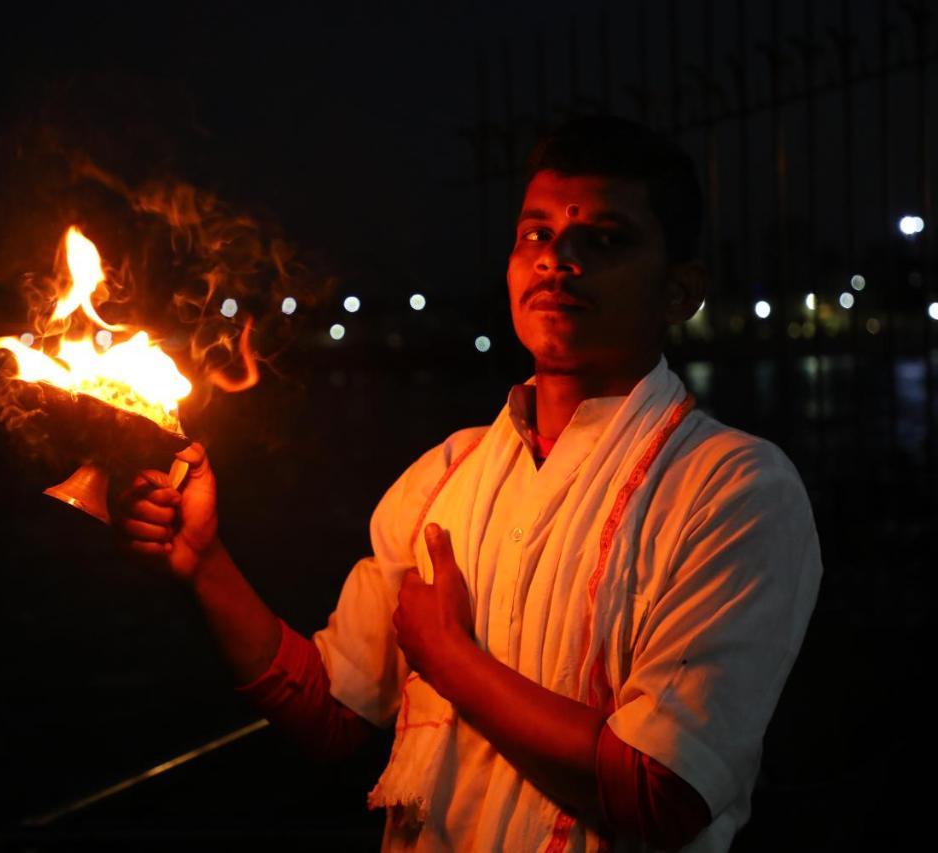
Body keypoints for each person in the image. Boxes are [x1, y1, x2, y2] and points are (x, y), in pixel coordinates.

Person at [111, 115, 822, 852]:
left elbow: (662, 791)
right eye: (536, 235)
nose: (557, 261)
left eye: (604, 240)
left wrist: (449, 657)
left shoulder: (733, 491)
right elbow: (331, 714)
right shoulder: (444, 475)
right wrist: (205, 562)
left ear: (680, 291)